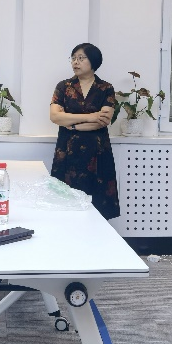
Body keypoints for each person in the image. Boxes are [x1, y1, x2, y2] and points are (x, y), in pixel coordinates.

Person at [49, 43, 121, 220]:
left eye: (81, 58)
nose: (76, 62)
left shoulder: (106, 88)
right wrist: (91, 116)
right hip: (67, 151)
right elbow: (55, 117)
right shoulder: (63, 87)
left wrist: (73, 124)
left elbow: (102, 121)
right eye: (73, 58)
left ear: (94, 61)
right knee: (65, 207)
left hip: (97, 153)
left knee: (96, 209)